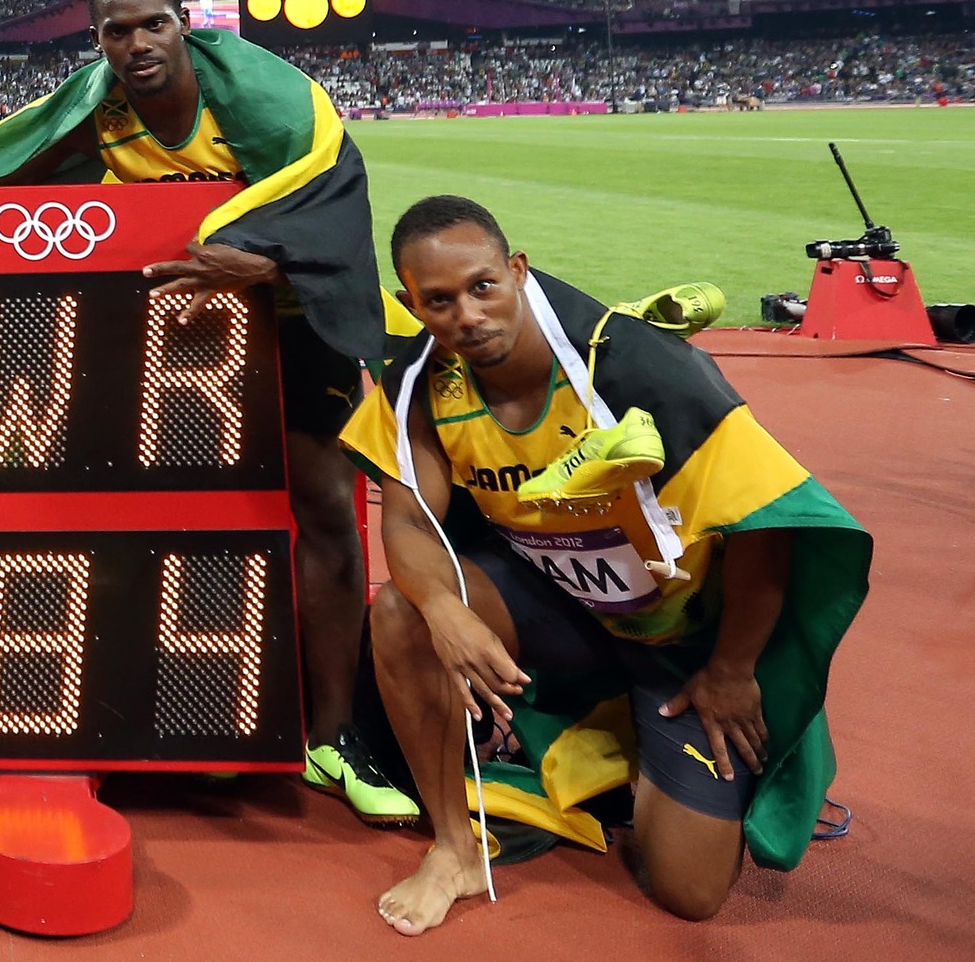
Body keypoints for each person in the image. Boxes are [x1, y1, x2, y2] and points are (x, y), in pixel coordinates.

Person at [0, 0, 413, 824]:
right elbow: (3, 149)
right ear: (97, 38)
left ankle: (334, 734)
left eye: (152, 24)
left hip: (291, 310)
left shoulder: (264, 96)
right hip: (194, 331)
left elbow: (331, 179)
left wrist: (263, 255)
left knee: (323, 504)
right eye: (115, 30)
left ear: (185, 23)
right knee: (195, 512)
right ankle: (216, 718)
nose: (135, 44)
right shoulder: (100, 101)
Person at [345, 195, 869, 934]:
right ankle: (456, 848)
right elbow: (404, 517)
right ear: (413, 303)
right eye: (439, 299)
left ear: (517, 271)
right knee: (401, 610)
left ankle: (634, 751)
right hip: (556, 609)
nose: (467, 314)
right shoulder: (421, 382)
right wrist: (445, 609)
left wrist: (731, 669)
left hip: (679, 646)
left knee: (689, 889)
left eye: (483, 285)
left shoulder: (635, 365)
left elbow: (766, 523)